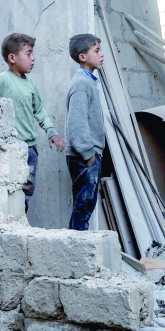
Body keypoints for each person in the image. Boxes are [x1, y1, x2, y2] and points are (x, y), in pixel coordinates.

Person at [0, 33, 66, 211]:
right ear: (12, 58)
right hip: (8, 149)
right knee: (8, 192)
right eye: (28, 54)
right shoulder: (0, 81)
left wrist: (52, 132)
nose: (33, 59)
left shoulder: (31, 84)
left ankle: (21, 222)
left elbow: (39, 111)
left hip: (30, 151)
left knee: (26, 191)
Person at [65, 34, 106, 231]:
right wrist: (89, 155)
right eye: (96, 51)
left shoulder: (89, 82)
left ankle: (76, 250)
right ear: (83, 57)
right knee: (83, 207)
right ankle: (76, 254)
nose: (101, 54)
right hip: (84, 156)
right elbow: (76, 124)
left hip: (87, 155)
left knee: (84, 207)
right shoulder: (82, 83)